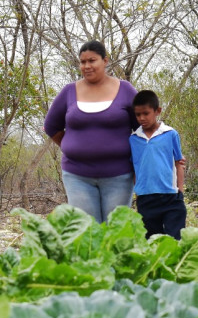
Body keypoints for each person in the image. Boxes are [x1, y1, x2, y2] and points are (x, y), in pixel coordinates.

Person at [44, 40, 138, 222]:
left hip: (119, 176)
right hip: (77, 176)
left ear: (105, 60)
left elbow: (143, 128)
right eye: (82, 62)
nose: (86, 66)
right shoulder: (69, 91)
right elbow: (51, 126)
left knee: (115, 231)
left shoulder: (125, 90)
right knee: (86, 232)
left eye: (92, 61)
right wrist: (71, 146)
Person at [129, 90, 187, 239]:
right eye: (138, 114)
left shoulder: (170, 134)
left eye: (146, 113)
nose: (142, 118)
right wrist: (138, 190)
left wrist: (180, 190)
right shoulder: (133, 139)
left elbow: (179, 162)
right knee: (151, 242)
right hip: (145, 199)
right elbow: (134, 167)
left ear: (157, 111)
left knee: (175, 239)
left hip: (171, 197)